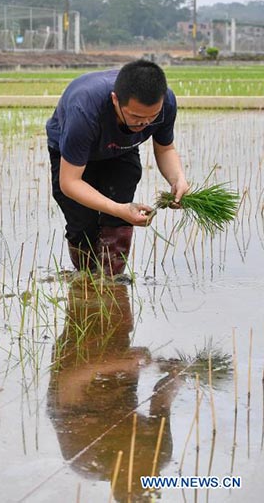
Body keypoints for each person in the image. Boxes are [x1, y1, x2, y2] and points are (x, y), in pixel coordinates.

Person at [46, 59, 189, 275]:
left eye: (152, 117)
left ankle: (111, 281)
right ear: (115, 100)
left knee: (118, 221)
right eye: (136, 116)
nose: (145, 124)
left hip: (120, 149)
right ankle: (86, 280)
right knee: (82, 223)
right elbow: (70, 182)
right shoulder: (84, 109)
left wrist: (177, 179)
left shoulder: (166, 103)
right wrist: (118, 208)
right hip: (72, 154)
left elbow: (165, 149)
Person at [47, 278, 181, 500]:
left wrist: (121, 363)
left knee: (89, 315)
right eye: (151, 469)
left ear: (119, 472)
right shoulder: (160, 454)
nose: (144, 454)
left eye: (141, 465)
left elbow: (68, 380)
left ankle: (92, 275)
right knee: (117, 315)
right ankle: (102, 272)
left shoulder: (84, 455)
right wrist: (177, 377)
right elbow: (161, 403)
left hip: (76, 364)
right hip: (117, 387)